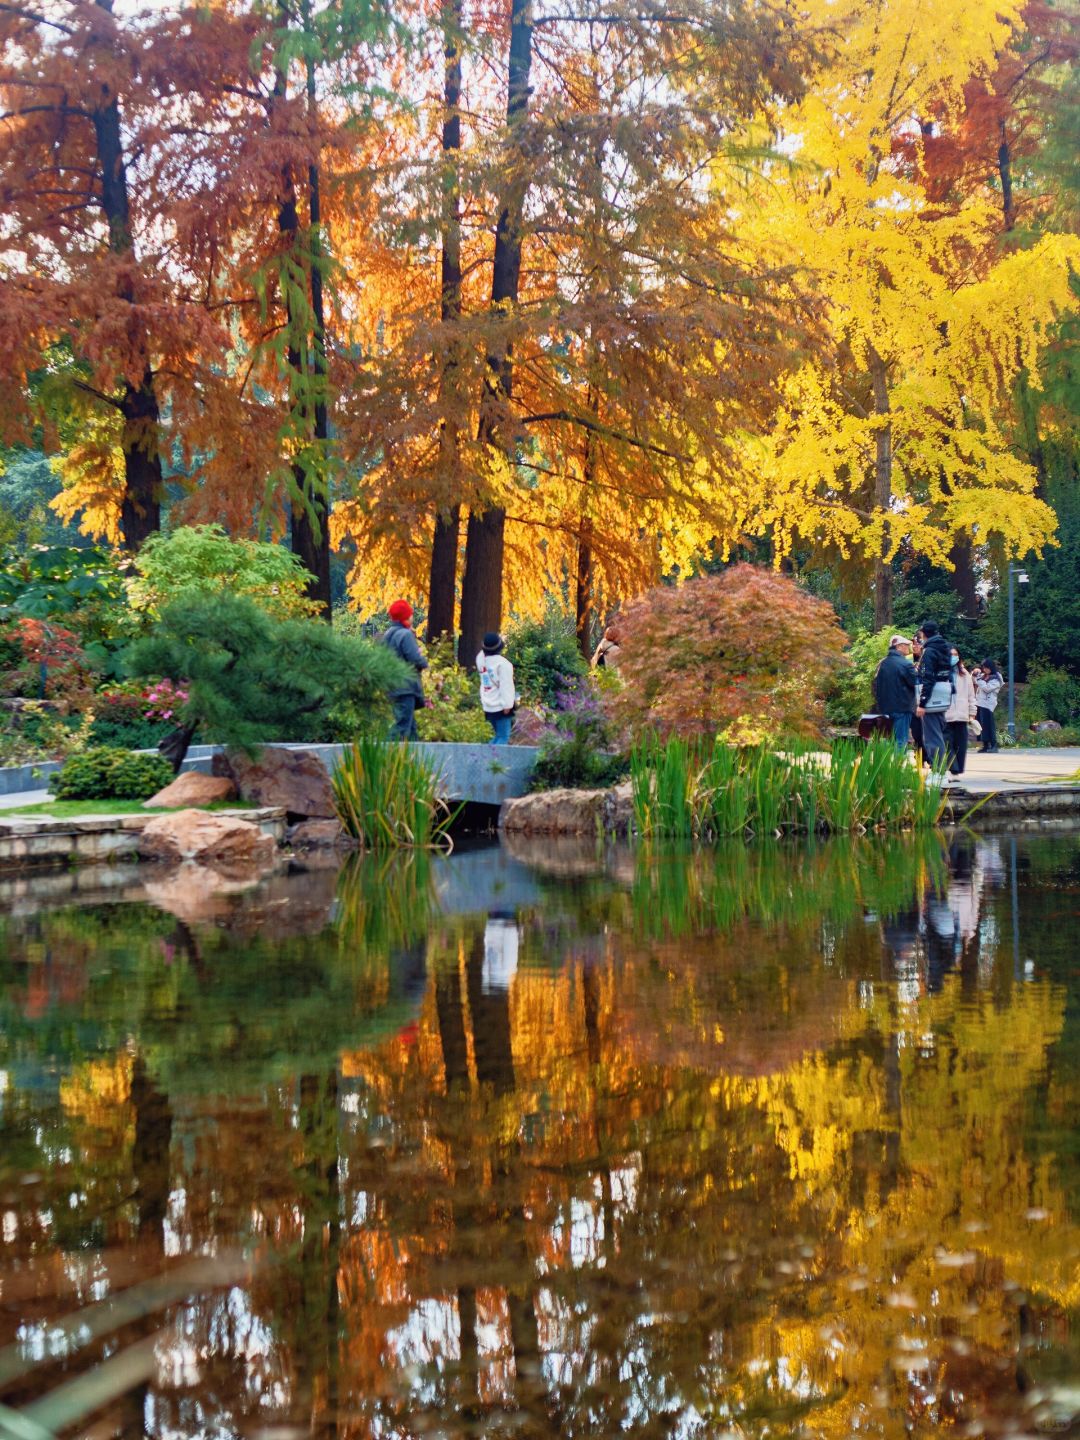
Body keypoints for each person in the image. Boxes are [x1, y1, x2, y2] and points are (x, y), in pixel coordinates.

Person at [379, 599, 428, 741]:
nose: (412, 617)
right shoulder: (405, 635)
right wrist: (425, 663)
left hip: (392, 686)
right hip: (405, 687)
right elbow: (414, 658)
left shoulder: (387, 635)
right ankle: (385, 752)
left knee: (411, 727)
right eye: (410, 614)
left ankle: (415, 758)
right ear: (405, 617)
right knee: (402, 726)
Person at [915, 621, 954, 773]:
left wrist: (922, 703)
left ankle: (938, 771)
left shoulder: (930, 651)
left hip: (932, 697)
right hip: (943, 695)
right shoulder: (945, 648)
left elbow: (928, 678)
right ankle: (941, 768)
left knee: (931, 736)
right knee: (938, 734)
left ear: (924, 634)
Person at [873, 634, 917, 749]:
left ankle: (888, 765)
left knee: (888, 740)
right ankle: (898, 765)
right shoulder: (906, 664)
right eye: (906, 645)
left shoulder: (883, 664)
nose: (909, 647)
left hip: (885, 708)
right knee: (901, 740)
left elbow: (875, 685)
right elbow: (915, 683)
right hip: (902, 708)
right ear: (898, 647)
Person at [477, 631, 516, 744]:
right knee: (503, 737)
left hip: (487, 704)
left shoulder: (481, 661)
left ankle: (486, 757)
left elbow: (482, 653)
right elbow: (506, 686)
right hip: (501, 705)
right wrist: (508, 705)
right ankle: (492, 761)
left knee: (498, 736)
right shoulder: (504, 664)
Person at [944, 649, 977, 776]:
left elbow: (971, 694)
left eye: (956, 654)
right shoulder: (941, 672)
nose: (953, 656)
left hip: (962, 714)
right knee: (947, 743)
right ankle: (953, 768)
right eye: (951, 654)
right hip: (946, 714)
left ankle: (957, 770)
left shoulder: (964, 674)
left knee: (960, 744)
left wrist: (972, 712)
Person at [974, 659, 1003, 753]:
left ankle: (994, 745)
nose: (984, 669)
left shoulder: (997, 677)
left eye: (986, 667)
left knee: (989, 725)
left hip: (988, 704)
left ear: (991, 667)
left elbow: (987, 688)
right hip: (980, 703)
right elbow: (974, 681)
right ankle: (985, 745)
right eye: (983, 668)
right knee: (981, 726)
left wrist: (979, 680)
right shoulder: (983, 676)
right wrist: (974, 674)